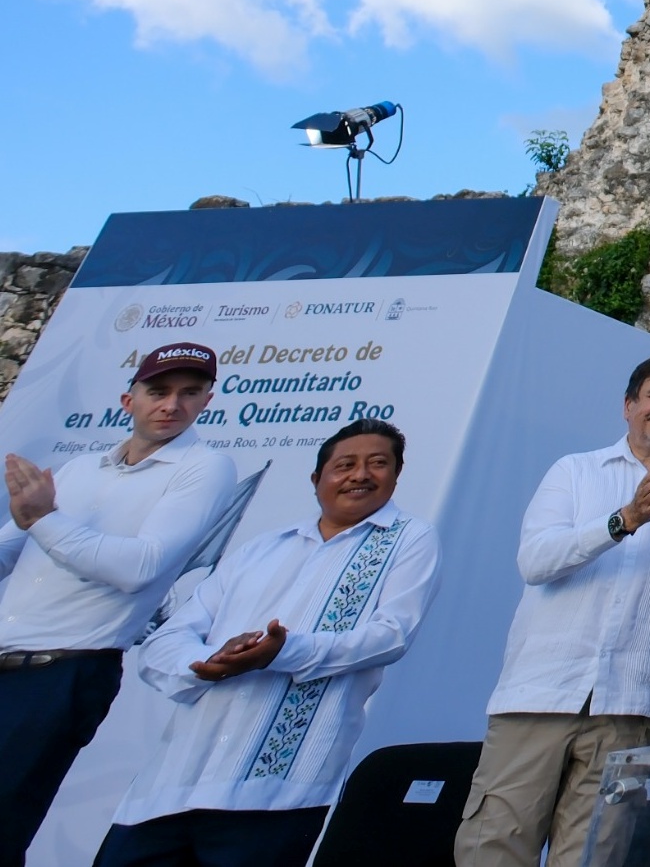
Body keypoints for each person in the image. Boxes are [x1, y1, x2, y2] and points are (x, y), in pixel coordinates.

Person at [94, 419, 440, 867]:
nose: (360, 474)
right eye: (345, 465)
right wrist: (209, 661)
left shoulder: (409, 538)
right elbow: (166, 641)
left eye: (378, 464)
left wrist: (282, 652)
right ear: (316, 478)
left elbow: (391, 636)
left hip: (277, 791)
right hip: (169, 786)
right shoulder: (262, 548)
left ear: (396, 475)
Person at [455, 351, 650, 867]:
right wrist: (622, 521)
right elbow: (536, 561)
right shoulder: (575, 470)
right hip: (541, 692)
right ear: (628, 405)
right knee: (494, 847)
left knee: (593, 856)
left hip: (629, 703)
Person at [0, 342, 239, 862]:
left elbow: (141, 567)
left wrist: (44, 519)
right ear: (129, 400)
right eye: (159, 391)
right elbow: (8, 550)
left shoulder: (205, 467)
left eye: (189, 393)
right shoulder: (79, 469)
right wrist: (34, 519)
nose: (171, 405)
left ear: (207, 401)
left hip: (61, 672)